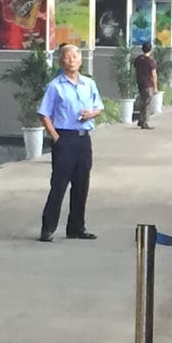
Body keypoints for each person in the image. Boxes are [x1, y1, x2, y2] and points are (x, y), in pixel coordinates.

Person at [37, 40, 103, 241]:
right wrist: (55, 137)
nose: (71, 60)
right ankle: (48, 229)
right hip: (64, 138)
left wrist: (91, 114)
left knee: (81, 185)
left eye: (74, 56)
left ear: (81, 60)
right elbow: (43, 113)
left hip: (83, 139)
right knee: (59, 185)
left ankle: (76, 227)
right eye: (67, 57)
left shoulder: (89, 84)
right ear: (60, 61)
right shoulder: (55, 86)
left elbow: (98, 107)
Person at [133, 42, 159, 130]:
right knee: (147, 104)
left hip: (140, 83)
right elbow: (154, 74)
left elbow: (135, 69)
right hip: (148, 84)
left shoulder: (138, 59)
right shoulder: (151, 61)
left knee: (143, 102)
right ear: (150, 50)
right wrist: (155, 87)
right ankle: (144, 122)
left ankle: (141, 120)